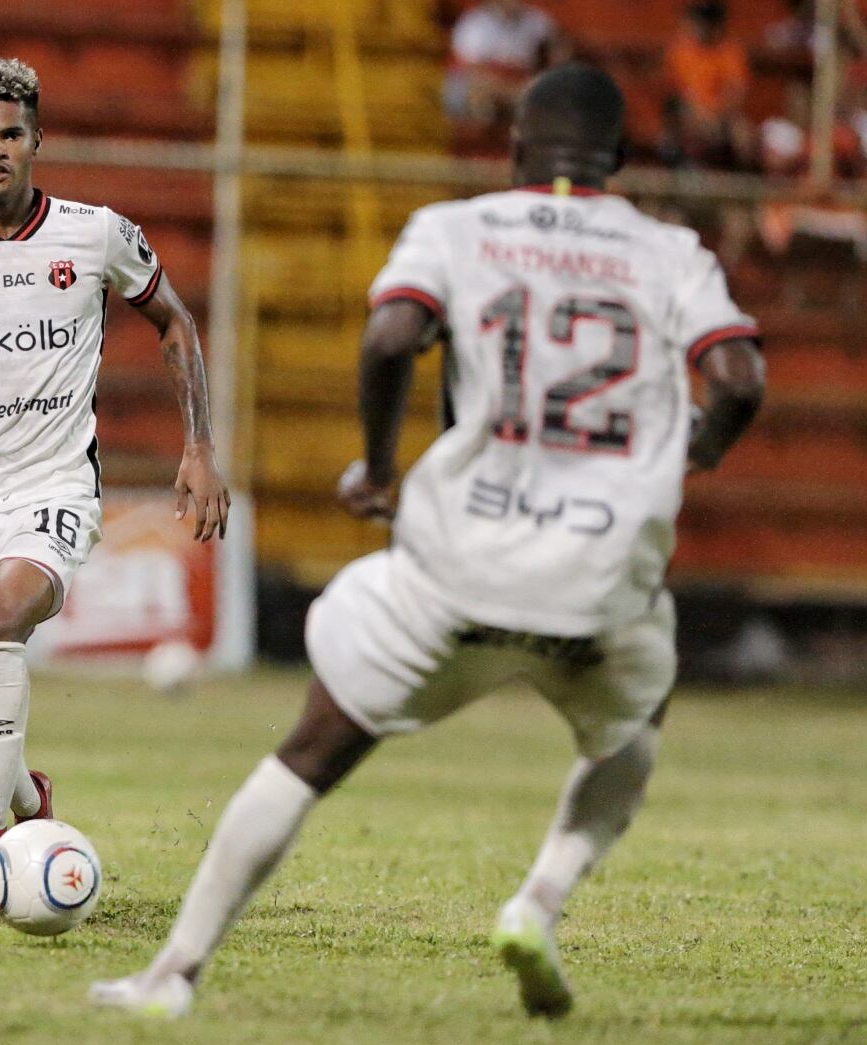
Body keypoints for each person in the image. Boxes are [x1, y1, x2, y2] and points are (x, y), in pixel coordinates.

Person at [91, 64, 765, 1019]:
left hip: (461, 563)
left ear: (516, 149)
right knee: (636, 720)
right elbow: (737, 375)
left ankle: (173, 974)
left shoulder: (458, 228)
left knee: (313, 747)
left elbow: (389, 336)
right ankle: (538, 900)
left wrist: (374, 467)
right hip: (601, 575)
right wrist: (684, 456)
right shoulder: (673, 252)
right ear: (616, 160)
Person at [0, 57, 231, 900]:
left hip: (56, 489)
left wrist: (199, 444)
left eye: (12, 135)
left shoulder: (95, 234)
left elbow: (173, 320)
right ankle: (27, 800)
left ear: (36, 141)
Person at [445, 0, 569, 138]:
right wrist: (509, 90)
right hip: (482, 85)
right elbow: (470, 70)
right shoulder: (475, 23)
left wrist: (554, 62)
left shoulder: (535, 20)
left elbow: (559, 46)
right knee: (480, 96)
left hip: (521, 83)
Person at [662, 1, 755, 170]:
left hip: (721, 117)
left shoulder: (730, 51)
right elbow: (681, 93)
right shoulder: (681, 51)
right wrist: (703, 116)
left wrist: (717, 116)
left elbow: (735, 91)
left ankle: (738, 187)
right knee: (688, 115)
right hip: (689, 113)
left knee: (743, 133)